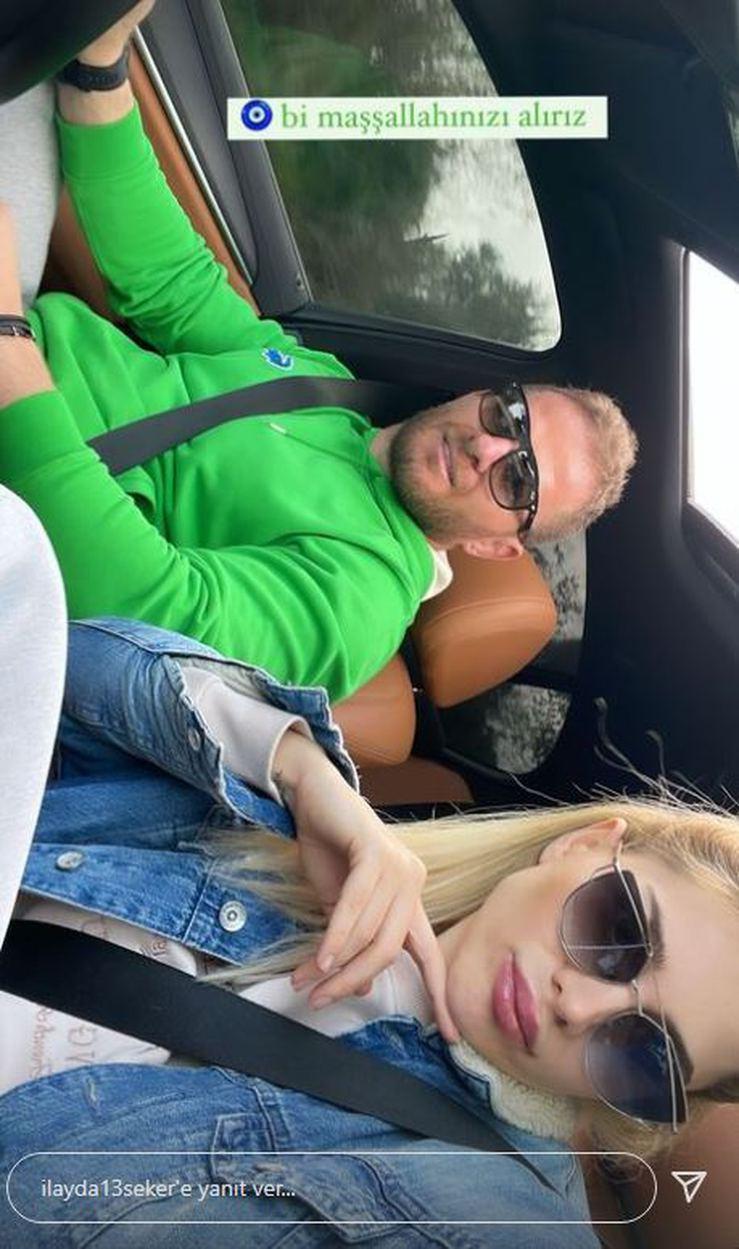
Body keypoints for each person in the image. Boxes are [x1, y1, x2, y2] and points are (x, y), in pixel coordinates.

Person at [1, 617, 738, 1248]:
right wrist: (298, 769)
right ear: (582, 844)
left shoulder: (493, 1213)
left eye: (645, 1055)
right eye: (617, 931)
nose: (578, 1007)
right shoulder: (296, 823)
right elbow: (51, 652)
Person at [0, 2, 638, 702]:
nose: (487, 447)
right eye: (509, 415)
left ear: (496, 545)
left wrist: (7, 343)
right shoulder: (330, 390)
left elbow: (154, 610)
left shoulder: (360, 602)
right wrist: (99, 67)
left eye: (518, 479)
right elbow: (173, 283)